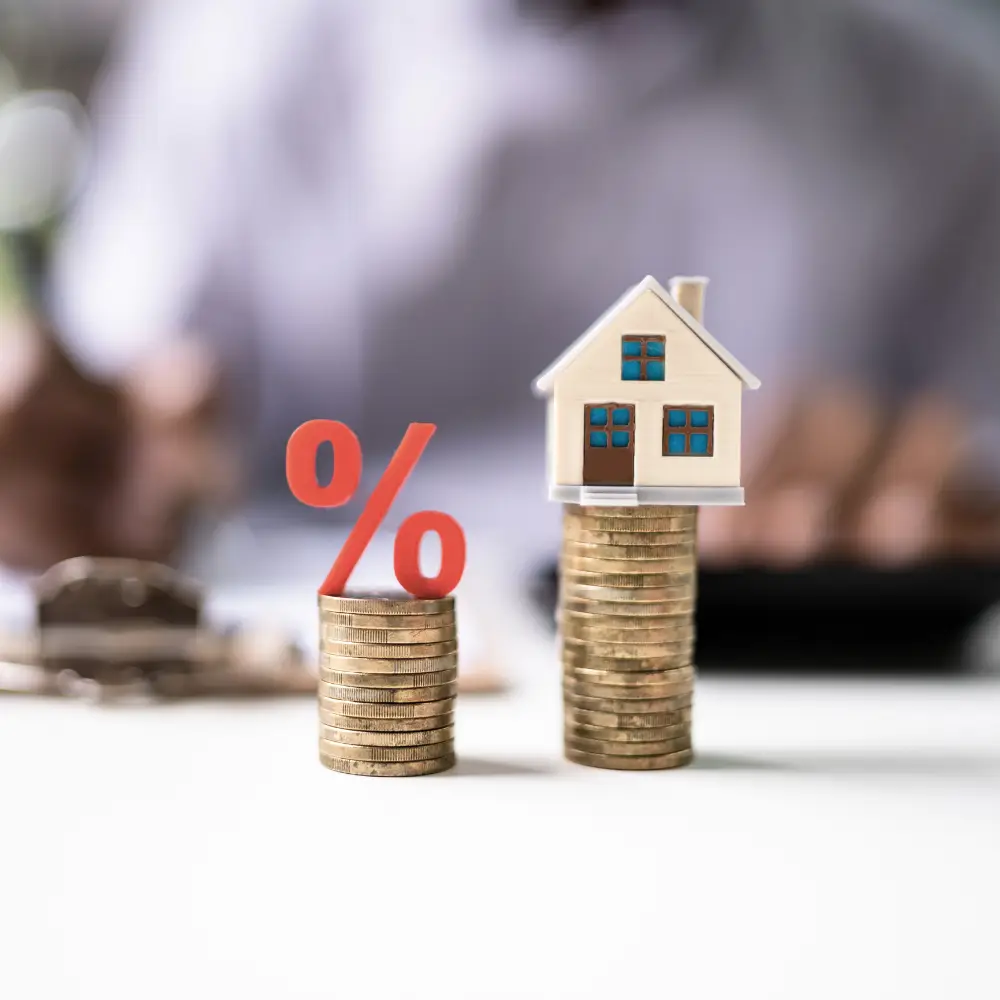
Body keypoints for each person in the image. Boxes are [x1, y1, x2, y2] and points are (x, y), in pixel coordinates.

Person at [1, 0, 999, 573]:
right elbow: (134, 415)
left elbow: (973, 471)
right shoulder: (236, 49)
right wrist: (104, 464)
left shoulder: (945, 111)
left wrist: (934, 501)